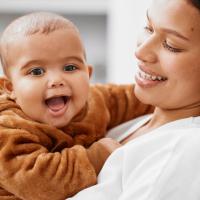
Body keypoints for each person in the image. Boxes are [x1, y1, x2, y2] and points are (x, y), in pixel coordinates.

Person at [0, 12, 153, 200]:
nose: (56, 80)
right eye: (37, 71)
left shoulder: (95, 100)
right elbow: (38, 180)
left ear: (88, 74)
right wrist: (95, 157)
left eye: (70, 68)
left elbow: (135, 98)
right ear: (10, 87)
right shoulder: (9, 128)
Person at [68, 0, 200, 199]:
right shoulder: (139, 122)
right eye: (148, 27)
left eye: (171, 46)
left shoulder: (184, 150)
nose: (141, 52)